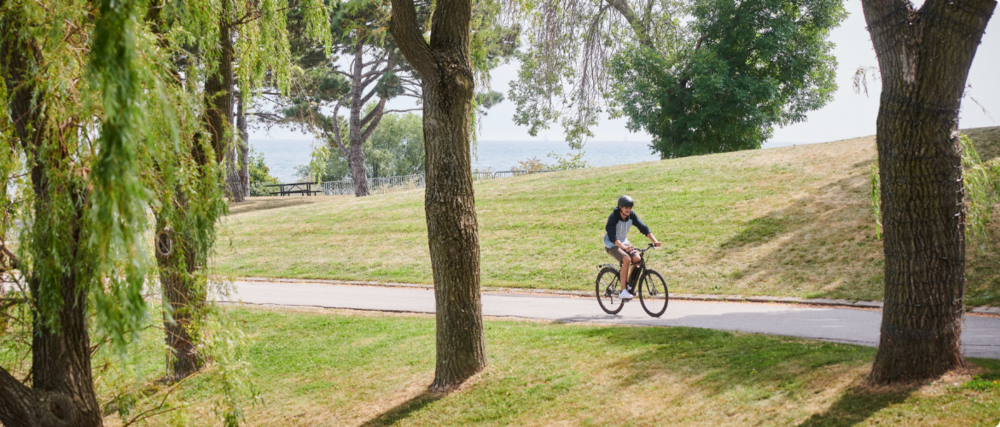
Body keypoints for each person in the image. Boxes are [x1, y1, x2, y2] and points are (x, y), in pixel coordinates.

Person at [604, 195, 661, 300]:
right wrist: (624, 247)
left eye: (630, 207)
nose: (628, 209)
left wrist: (655, 241)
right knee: (626, 259)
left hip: (624, 243)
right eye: (625, 207)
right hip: (611, 244)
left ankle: (629, 285)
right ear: (620, 207)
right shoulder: (613, 217)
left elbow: (643, 228)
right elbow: (613, 237)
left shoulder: (631, 216)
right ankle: (623, 291)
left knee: (638, 260)